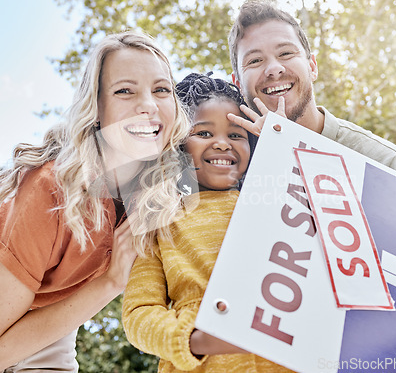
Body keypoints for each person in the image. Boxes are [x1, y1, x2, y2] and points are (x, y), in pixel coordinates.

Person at [0, 31, 190, 373]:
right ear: (96, 108)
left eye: (161, 89)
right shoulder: (50, 189)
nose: (148, 105)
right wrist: (111, 282)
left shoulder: (160, 190)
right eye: (125, 90)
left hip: (48, 308)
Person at [122, 73, 294, 372]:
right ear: (176, 145)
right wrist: (194, 339)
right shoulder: (159, 221)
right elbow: (138, 314)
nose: (223, 144)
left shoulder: (279, 202)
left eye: (236, 135)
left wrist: (283, 143)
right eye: (203, 134)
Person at [227, 0, 396, 181]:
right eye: (255, 60)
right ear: (238, 85)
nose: (274, 69)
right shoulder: (226, 168)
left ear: (312, 67)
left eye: (285, 53)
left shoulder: (385, 163)